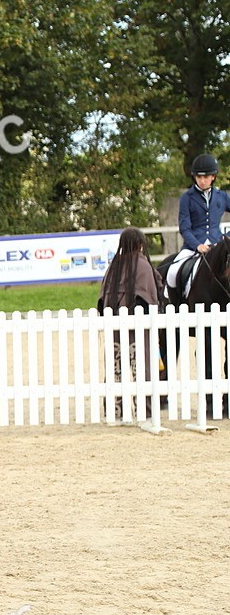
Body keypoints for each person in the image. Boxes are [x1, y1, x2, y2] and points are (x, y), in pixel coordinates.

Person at [98, 227, 162, 423]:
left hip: (115, 324)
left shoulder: (113, 266)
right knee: (142, 368)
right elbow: (152, 294)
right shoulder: (143, 265)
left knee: (116, 368)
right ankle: (146, 412)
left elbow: (102, 300)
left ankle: (116, 412)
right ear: (141, 244)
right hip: (138, 326)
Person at [168, 153, 230, 290]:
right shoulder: (187, 198)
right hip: (193, 247)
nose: (202, 181)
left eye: (206, 177)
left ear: (213, 177)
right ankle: (176, 305)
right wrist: (197, 245)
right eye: (199, 177)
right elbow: (185, 228)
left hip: (217, 246)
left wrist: (228, 237)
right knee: (172, 273)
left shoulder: (222, 197)